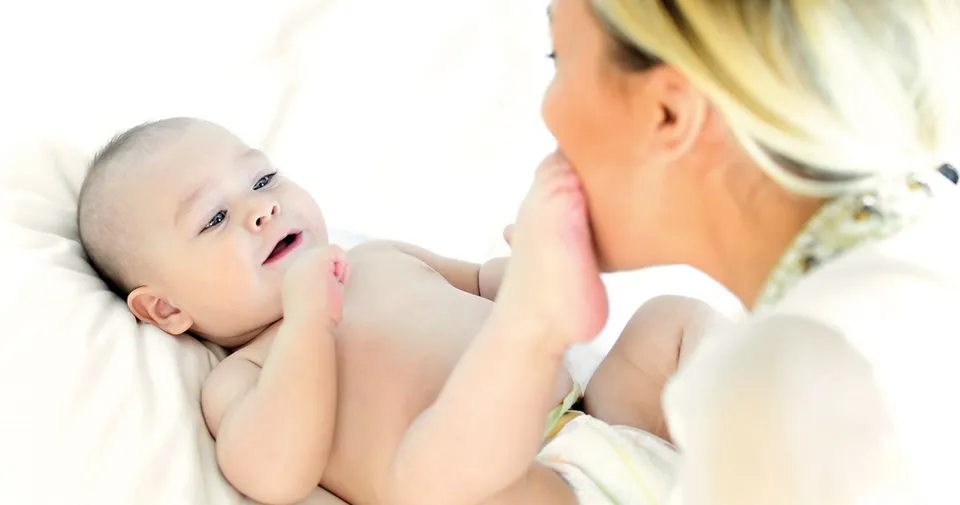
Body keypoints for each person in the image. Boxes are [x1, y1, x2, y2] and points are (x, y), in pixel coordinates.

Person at [76, 117, 691, 505]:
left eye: (263, 180)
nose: (262, 209)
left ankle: (744, 430)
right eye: (213, 218)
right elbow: (276, 476)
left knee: (668, 322)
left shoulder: (377, 259)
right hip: (504, 491)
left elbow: (485, 284)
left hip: (596, 425)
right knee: (448, 475)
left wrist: (542, 263)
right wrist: (309, 325)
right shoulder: (245, 375)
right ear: (166, 309)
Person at [536, 0, 960, 503]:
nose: (545, 114)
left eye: (557, 57)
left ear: (668, 113)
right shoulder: (918, 250)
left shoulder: (789, 377)